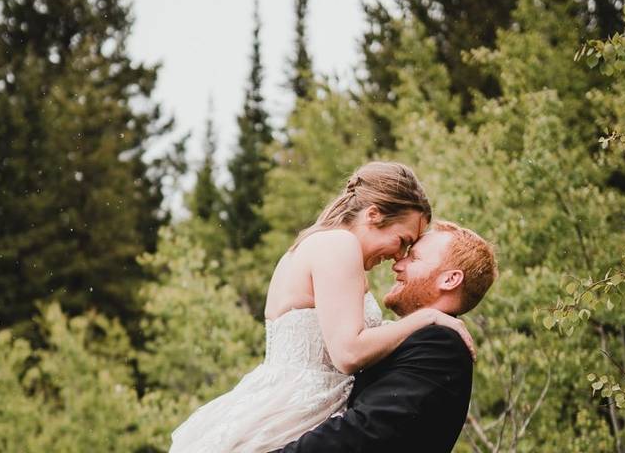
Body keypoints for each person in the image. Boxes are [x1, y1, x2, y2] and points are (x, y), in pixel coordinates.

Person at [169, 161, 476, 452]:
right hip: (294, 409)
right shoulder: (339, 246)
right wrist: (427, 317)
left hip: (298, 403)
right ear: (373, 215)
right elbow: (349, 353)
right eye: (403, 240)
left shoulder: (323, 244)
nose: (400, 256)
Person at [273, 220, 498, 452]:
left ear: (450, 279)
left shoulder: (441, 346)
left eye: (415, 258)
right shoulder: (413, 338)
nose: (398, 264)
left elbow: (365, 432)